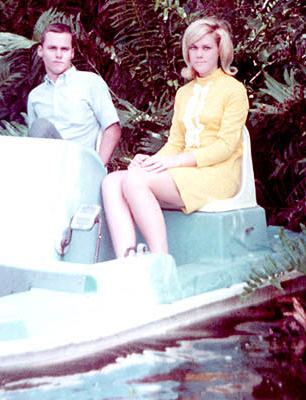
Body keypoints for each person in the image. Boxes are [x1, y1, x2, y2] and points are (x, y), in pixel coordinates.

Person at [101, 17, 249, 258]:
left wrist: (174, 162)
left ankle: (160, 259)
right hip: (185, 172)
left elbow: (226, 147)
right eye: (193, 47)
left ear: (220, 51)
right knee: (112, 182)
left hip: (218, 173)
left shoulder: (233, 90)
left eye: (206, 48)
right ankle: (126, 259)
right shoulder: (184, 93)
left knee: (135, 181)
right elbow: (176, 143)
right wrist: (151, 161)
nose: (199, 54)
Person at [27, 23, 121, 167]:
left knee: (41, 126)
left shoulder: (90, 82)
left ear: (72, 53)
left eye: (64, 49)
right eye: (52, 48)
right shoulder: (35, 96)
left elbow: (112, 128)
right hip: (48, 168)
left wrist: (98, 168)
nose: (59, 55)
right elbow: (34, 143)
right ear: (40, 51)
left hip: (81, 166)